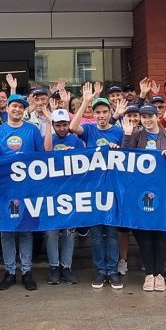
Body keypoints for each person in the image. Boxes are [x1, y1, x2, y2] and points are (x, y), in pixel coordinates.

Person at [0, 94, 47, 291]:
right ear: (7, 108)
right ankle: (9, 272)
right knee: (6, 231)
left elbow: (42, 158)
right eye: (14, 106)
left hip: (26, 191)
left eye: (21, 107)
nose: (17, 109)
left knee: (25, 231)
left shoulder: (32, 130)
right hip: (5, 191)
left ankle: (26, 272)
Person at [69, 82, 126, 288]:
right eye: (97, 112)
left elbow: (127, 156)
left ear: (110, 113)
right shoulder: (90, 129)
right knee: (95, 233)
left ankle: (113, 271)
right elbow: (73, 127)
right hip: (92, 188)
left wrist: (117, 149)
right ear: (93, 114)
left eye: (104, 112)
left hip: (112, 188)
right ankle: (101, 271)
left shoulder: (119, 131)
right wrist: (85, 101)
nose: (101, 115)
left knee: (111, 233)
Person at [122, 106, 166, 292]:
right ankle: (149, 273)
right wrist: (126, 134)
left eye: (150, 116)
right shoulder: (136, 136)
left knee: (161, 232)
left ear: (157, 117)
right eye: (144, 117)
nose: (147, 120)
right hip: (140, 192)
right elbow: (124, 157)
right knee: (144, 232)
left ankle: (159, 274)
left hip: (163, 192)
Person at [45, 108, 83, 285]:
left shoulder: (76, 140)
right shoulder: (48, 139)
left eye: (64, 125)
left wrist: (73, 156)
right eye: (58, 125)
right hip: (51, 191)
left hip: (71, 191)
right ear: (53, 125)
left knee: (69, 231)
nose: (61, 128)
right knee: (51, 231)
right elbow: (44, 155)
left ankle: (66, 267)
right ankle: (54, 266)